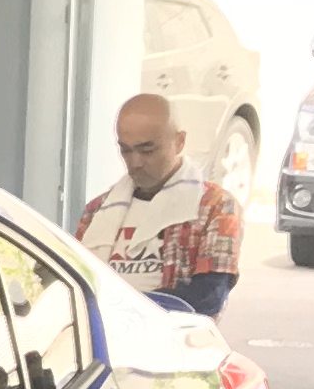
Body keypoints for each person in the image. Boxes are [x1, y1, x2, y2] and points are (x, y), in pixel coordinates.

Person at [74, 95, 246, 319]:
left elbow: (208, 297)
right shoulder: (97, 210)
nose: (135, 163)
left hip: (171, 335)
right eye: (126, 150)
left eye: (147, 150)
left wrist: (123, 308)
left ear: (179, 142)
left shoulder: (215, 207)